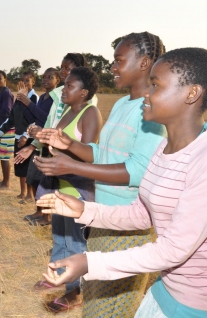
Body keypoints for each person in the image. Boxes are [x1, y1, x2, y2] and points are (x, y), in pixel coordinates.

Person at [38, 47, 207, 318]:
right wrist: (84, 210)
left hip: (193, 304)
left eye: (156, 85)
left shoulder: (202, 160)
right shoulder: (165, 147)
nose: (147, 93)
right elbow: (143, 213)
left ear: (192, 93)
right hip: (166, 291)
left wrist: (87, 262)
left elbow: (173, 249)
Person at [35, 67, 102, 313]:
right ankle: (57, 276)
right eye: (65, 85)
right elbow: (58, 144)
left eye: (70, 86)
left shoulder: (90, 113)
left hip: (77, 189)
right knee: (60, 238)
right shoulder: (66, 112)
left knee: (75, 244)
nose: (64, 89)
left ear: (83, 92)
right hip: (60, 186)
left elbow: (91, 156)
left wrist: (61, 158)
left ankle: (75, 291)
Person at [16, 53, 96, 227]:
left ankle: (52, 223)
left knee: (73, 217)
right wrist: (34, 144)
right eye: (62, 68)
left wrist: (46, 135)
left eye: (67, 68)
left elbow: (87, 150)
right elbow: (51, 123)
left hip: (72, 167)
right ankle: (48, 220)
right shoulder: (59, 97)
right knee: (54, 196)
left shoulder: (88, 107)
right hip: (54, 154)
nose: (62, 72)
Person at [0, 71, 38, 200]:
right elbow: (11, 118)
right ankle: (23, 192)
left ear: (33, 82)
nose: (24, 83)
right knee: (20, 166)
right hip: (18, 137)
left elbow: (34, 120)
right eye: (22, 81)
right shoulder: (18, 97)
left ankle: (30, 194)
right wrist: (0, 132)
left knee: (28, 167)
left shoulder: (33, 97)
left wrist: (25, 135)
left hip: (28, 139)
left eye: (27, 81)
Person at [20, 68, 60, 204]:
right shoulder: (43, 97)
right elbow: (33, 116)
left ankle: (44, 212)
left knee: (43, 178)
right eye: (44, 77)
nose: (45, 80)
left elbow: (47, 118)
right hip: (38, 141)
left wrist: (28, 103)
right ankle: (40, 208)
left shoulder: (56, 100)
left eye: (50, 77)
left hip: (47, 142)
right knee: (33, 177)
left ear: (57, 81)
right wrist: (23, 104)